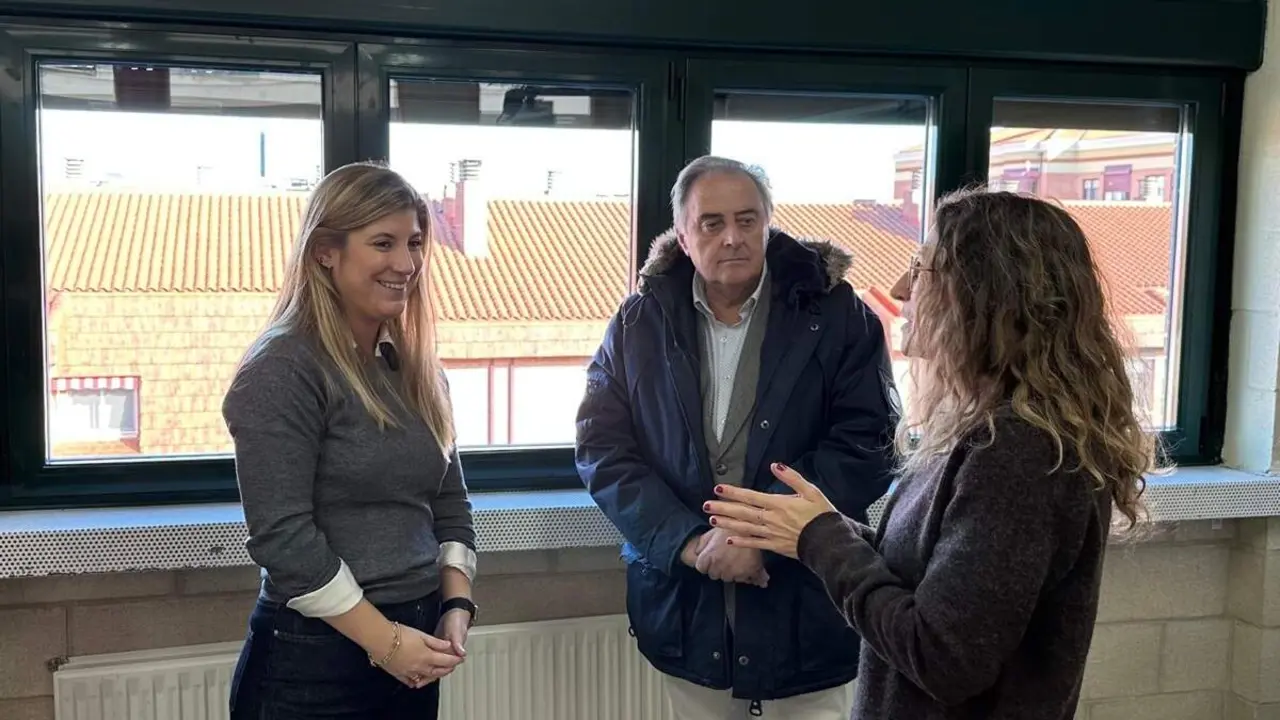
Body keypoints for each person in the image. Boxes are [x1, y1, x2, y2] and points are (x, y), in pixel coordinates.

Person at [704, 188, 1158, 720]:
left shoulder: (1019, 454)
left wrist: (820, 540)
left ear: (986, 296)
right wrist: (817, 529)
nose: (900, 288)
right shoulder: (989, 433)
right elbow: (938, 581)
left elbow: (943, 656)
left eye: (920, 270)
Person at [576, 155, 899, 719]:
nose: (732, 238)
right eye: (712, 223)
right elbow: (602, 448)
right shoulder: (637, 322)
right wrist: (692, 543)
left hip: (806, 607)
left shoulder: (840, 315)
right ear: (681, 233)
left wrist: (761, 532)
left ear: (770, 223)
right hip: (687, 609)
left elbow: (869, 442)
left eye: (748, 220)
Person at [222, 162, 479, 720]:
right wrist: (384, 642)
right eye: (382, 243)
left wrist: (455, 605)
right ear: (325, 252)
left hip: (414, 646)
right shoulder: (283, 369)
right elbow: (284, 540)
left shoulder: (418, 371)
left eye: (414, 242)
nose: (407, 264)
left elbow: (448, 503)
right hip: (314, 662)